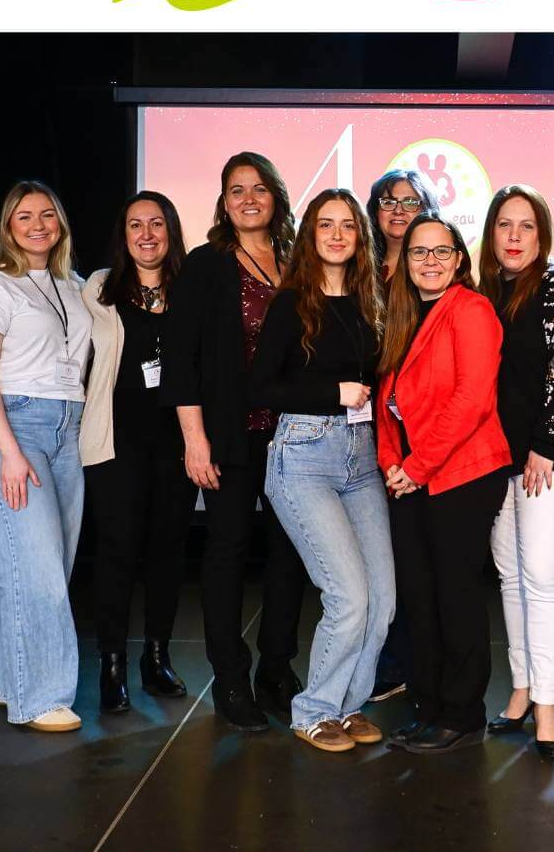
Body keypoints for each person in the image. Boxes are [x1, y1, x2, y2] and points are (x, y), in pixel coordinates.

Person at [163, 152, 309, 731]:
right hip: (227, 435)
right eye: (236, 190)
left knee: (290, 553)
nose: (248, 199)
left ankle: (276, 669)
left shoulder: (298, 262)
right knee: (226, 551)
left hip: (293, 436)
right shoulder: (206, 265)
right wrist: (193, 439)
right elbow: (181, 359)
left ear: (276, 197)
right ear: (224, 202)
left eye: (258, 188)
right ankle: (229, 677)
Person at [248, 189, 393, 753]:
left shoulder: (370, 302)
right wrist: (333, 393)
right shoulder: (291, 304)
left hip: (361, 456)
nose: (336, 235)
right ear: (310, 235)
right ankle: (313, 712)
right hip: (304, 456)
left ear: (360, 237)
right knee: (349, 595)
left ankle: (347, 706)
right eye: (325, 225)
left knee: (383, 600)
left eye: (347, 226)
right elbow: (261, 388)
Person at [375, 215, 512, 754]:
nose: (429, 261)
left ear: (459, 259)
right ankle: (428, 707)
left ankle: (462, 713)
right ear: (405, 261)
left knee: (454, 596)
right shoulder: (403, 317)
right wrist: (392, 462)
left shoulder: (471, 310)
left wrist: (416, 467)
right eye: (418, 252)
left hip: (462, 473)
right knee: (418, 596)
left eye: (440, 251)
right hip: (411, 476)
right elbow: (387, 401)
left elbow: (471, 400)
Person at [0, 179, 90, 733]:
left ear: (60, 223)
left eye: (47, 215)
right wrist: (10, 453)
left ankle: (0, 682)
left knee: (40, 567)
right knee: (38, 572)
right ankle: (40, 699)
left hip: (68, 430)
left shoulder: (76, 285)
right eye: (25, 216)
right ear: (9, 227)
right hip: (12, 429)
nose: (38, 225)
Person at [478, 185, 554, 762]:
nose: (515, 236)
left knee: (542, 575)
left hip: (549, 457)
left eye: (526, 226)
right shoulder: (486, 291)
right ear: (491, 233)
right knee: (510, 575)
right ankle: (522, 689)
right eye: (505, 225)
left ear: (542, 235)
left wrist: (544, 445)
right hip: (498, 457)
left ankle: (548, 706)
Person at [81, 191, 197, 712]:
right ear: (123, 235)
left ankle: (156, 657)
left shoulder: (191, 288)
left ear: (171, 231)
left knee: (167, 551)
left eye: (156, 224)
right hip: (116, 439)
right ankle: (112, 666)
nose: (146, 234)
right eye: (135, 225)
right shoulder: (99, 288)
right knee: (117, 552)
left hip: (178, 440)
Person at [361, 167, 442, 701]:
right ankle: (378, 657)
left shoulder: (434, 274)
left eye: (410, 202)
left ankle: (401, 663)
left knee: (410, 553)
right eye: (388, 201)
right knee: (374, 553)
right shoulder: (358, 267)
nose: (398, 210)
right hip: (358, 423)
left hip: (417, 432)